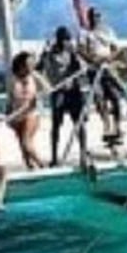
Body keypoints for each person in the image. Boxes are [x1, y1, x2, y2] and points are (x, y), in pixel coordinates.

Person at [79, 6, 127, 147]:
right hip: (94, 70)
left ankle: (118, 127)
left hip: (108, 68)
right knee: (99, 98)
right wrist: (93, 60)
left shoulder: (108, 31)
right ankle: (106, 126)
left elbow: (116, 48)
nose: (96, 18)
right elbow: (81, 50)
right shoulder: (84, 33)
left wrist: (108, 59)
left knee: (115, 97)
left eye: (98, 15)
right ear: (89, 17)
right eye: (93, 15)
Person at [41, 26, 86, 167]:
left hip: (73, 91)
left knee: (79, 123)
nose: (67, 42)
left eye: (68, 39)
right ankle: (54, 157)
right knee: (56, 125)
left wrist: (75, 54)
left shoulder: (71, 53)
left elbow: (80, 68)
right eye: (65, 39)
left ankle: (83, 154)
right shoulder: (50, 54)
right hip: (59, 91)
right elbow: (43, 68)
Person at [6, 51, 49, 170]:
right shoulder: (13, 79)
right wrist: (8, 114)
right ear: (21, 65)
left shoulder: (34, 76)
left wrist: (38, 96)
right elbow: (10, 98)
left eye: (32, 64)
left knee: (26, 142)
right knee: (22, 145)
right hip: (16, 114)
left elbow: (48, 89)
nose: (31, 66)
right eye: (29, 64)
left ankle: (42, 165)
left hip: (31, 113)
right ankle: (30, 167)